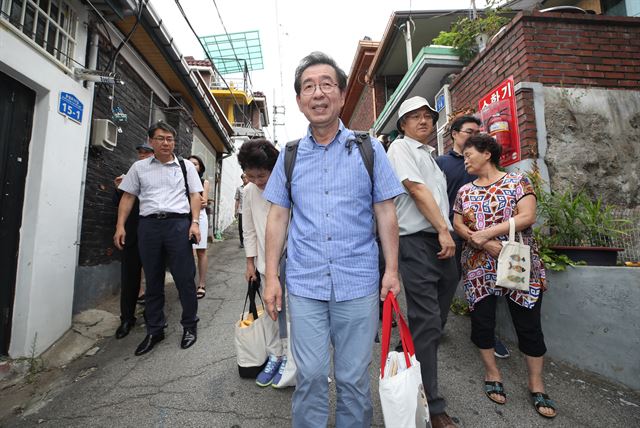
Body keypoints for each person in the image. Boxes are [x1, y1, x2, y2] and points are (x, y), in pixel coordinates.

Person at [262, 51, 404, 427]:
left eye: (327, 84)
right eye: (308, 86)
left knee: (353, 378)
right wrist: (271, 277)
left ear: (341, 95)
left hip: (358, 283)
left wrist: (391, 270)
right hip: (305, 283)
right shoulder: (289, 156)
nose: (318, 93)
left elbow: (386, 212)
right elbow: (277, 216)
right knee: (308, 376)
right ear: (299, 101)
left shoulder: (369, 149)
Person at [453, 134, 556, 419]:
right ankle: (492, 372)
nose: (465, 160)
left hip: (517, 263)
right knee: (482, 322)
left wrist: (489, 232)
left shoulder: (517, 181)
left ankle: (536, 383)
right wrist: (482, 242)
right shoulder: (464, 191)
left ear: (487, 153)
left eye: (469, 154)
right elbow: (458, 222)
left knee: (529, 324)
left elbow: (528, 216)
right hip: (477, 266)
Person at [386, 96, 459, 428]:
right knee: (429, 321)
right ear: (403, 125)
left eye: (428, 116)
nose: (424, 121)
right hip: (417, 242)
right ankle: (432, 402)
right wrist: (443, 230)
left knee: (431, 322)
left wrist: (451, 224)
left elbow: (435, 197)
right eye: (414, 117)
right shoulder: (401, 149)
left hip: (441, 241)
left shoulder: (432, 158)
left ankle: (410, 356)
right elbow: (415, 191)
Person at [114, 121, 203, 356]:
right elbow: (128, 197)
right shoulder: (140, 168)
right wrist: (120, 226)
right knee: (153, 280)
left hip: (178, 225)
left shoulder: (185, 167)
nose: (166, 143)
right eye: (161, 138)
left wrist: (194, 222)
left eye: (170, 139)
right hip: (149, 226)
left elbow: (195, 195)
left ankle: (189, 325)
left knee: (184, 278)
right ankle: (155, 329)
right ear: (151, 142)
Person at [436, 115, 510, 360]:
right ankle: (434, 329)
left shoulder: (487, 163)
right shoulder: (441, 163)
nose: (476, 134)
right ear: (455, 134)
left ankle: (487, 337)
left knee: (490, 287)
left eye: (479, 131)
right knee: (447, 283)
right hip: (454, 234)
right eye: (469, 131)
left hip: (490, 236)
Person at [237, 139, 290, 388]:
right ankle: (275, 355)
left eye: (262, 175)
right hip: (264, 264)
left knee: (292, 313)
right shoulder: (248, 192)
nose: (257, 181)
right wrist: (250, 263)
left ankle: (291, 359)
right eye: (251, 176)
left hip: (293, 261)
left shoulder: (288, 185)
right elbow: (248, 229)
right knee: (270, 312)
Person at [113, 142, 154, 339]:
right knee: (129, 277)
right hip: (131, 233)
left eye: (147, 153)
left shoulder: (159, 175)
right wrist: (118, 190)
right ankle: (127, 318)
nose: (143, 156)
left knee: (154, 276)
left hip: (153, 233)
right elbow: (119, 204)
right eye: (140, 153)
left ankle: (152, 314)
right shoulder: (130, 174)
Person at [188, 155, 210, 299]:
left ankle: (201, 284)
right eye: (190, 164)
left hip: (200, 217)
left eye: (195, 164)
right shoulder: (182, 180)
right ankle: (187, 284)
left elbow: (204, 202)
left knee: (201, 251)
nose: (193, 166)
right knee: (186, 252)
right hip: (184, 218)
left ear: (200, 167)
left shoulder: (204, 182)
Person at [235, 174, 248, 248]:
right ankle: (242, 242)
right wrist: (235, 210)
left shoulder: (252, 187)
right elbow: (237, 200)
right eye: (243, 178)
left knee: (249, 227)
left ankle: (248, 242)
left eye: (246, 177)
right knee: (241, 227)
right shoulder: (239, 188)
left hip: (249, 211)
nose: (245, 179)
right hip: (241, 210)